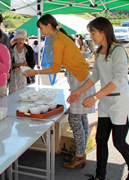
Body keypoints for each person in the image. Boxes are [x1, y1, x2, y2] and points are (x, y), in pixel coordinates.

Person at [68, 17, 129, 180]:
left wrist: (95, 97)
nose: (91, 36)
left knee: (119, 142)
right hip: (107, 102)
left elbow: (118, 79)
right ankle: (100, 178)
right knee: (100, 139)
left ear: (103, 31)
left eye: (93, 32)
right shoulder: (99, 51)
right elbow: (95, 76)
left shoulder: (118, 51)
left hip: (121, 102)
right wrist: (78, 91)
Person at [22, 14, 96, 169]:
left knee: (75, 119)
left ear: (49, 25)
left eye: (41, 28)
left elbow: (55, 68)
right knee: (81, 119)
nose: (41, 31)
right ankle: (80, 152)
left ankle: (80, 155)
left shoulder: (57, 40)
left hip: (79, 79)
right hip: (81, 77)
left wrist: (34, 72)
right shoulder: (61, 36)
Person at [10, 29, 35, 93]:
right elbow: (10, 63)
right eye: (19, 38)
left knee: (24, 93)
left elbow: (31, 63)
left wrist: (18, 67)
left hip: (25, 74)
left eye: (22, 39)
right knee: (14, 93)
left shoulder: (28, 49)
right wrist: (22, 64)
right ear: (16, 39)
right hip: (14, 75)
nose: (21, 40)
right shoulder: (12, 49)